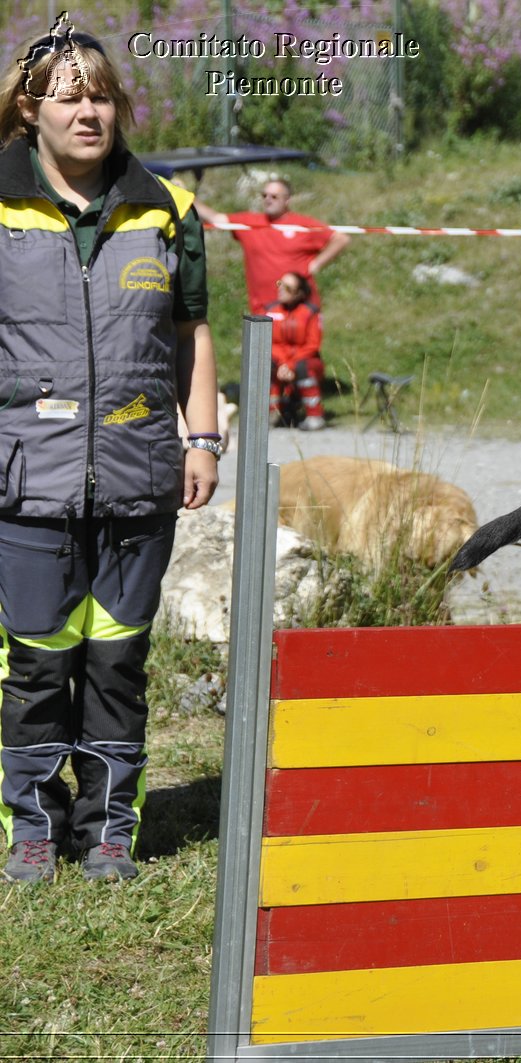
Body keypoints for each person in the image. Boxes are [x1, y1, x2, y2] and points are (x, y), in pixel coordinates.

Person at [0, 18, 220, 884]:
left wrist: (200, 438)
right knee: (37, 663)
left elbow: (191, 329)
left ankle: (109, 828)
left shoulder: (168, 208)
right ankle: (32, 825)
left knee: (119, 659)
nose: (89, 111)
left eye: (101, 95)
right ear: (30, 109)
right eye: (70, 96)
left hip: (139, 477)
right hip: (24, 478)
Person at [194, 176, 350, 315]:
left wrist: (316, 264)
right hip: (263, 310)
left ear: (287, 200)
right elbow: (216, 218)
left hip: (300, 309)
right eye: (264, 195)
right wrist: (186, 197)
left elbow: (341, 239)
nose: (268, 199)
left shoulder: (303, 224)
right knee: (259, 347)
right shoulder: (251, 222)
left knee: (305, 348)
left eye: (274, 196)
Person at [265, 271, 328, 430]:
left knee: (304, 366)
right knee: (266, 362)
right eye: (280, 284)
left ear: (300, 293)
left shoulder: (311, 312)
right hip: (281, 362)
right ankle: (273, 413)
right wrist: (282, 364)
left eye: (288, 288)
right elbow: (270, 343)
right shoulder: (272, 311)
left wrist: (290, 365)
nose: (281, 290)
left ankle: (315, 415)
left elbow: (312, 345)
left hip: (304, 361)